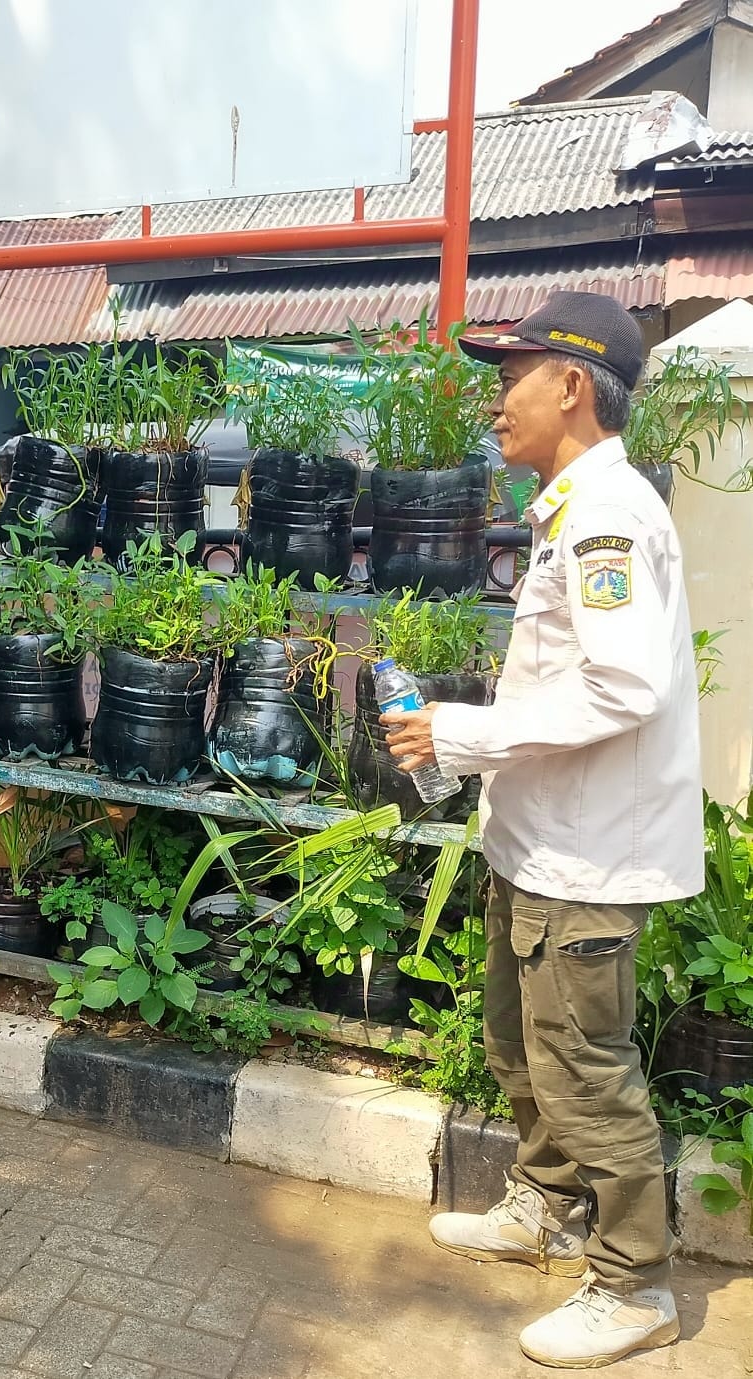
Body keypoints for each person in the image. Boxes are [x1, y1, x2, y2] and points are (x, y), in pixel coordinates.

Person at [382, 292, 702, 1369]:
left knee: (582, 1072)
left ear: (571, 385)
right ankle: (547, 1207)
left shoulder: (609, 516)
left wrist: (460, 732)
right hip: (540, 841)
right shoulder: (572, 509)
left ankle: (635, 1283)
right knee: (521, 1046)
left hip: (587, 855)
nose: (495, 400)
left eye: (510, 377)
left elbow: (623, 688)